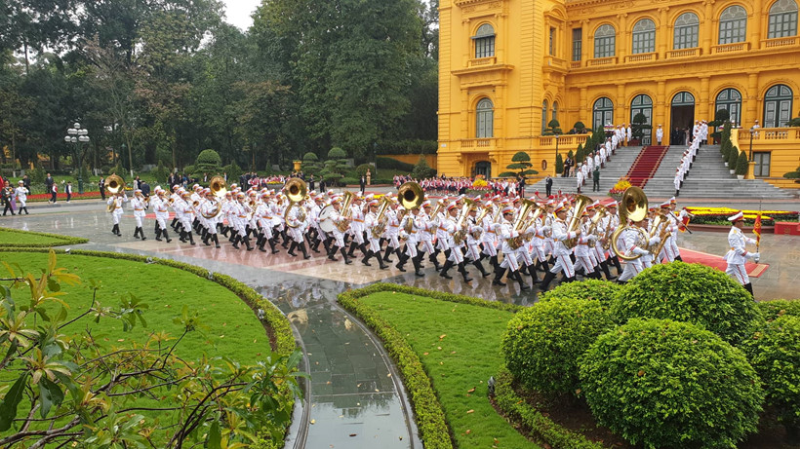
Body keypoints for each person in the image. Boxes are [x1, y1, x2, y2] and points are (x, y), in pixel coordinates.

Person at [724, 211, 759, 296]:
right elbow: (738, 250)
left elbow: (745, 239)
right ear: (737, 222)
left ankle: (717, 287)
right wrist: (752, 255)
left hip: (735, 259)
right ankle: (750, 298)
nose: (743, 222)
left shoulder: (738, 231)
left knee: (726, 276)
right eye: (742, 221)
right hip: (737, 259)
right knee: (744, 279)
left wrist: (756, 241)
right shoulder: (733, 234)